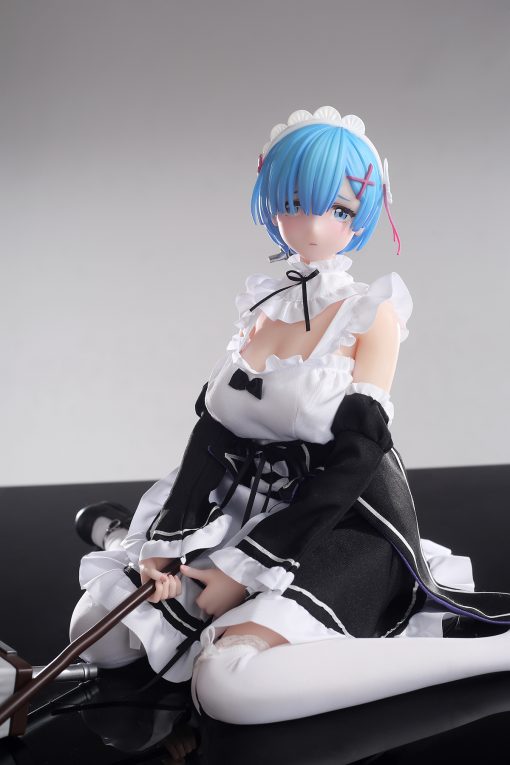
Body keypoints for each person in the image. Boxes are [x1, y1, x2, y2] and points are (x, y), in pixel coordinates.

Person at [71, 107, 510, 726]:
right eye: (297, 202)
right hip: (238, 510)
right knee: (99, 634)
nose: (314, 225)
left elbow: (355, 463)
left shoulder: (370, 314)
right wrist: (166, 541)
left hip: (336, 523)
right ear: (273, 199)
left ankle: (491, 653)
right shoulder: (262, 306)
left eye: (340, 210)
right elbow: (211, 436)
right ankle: (157, 566)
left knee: (229, 688)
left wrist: (242, 570)